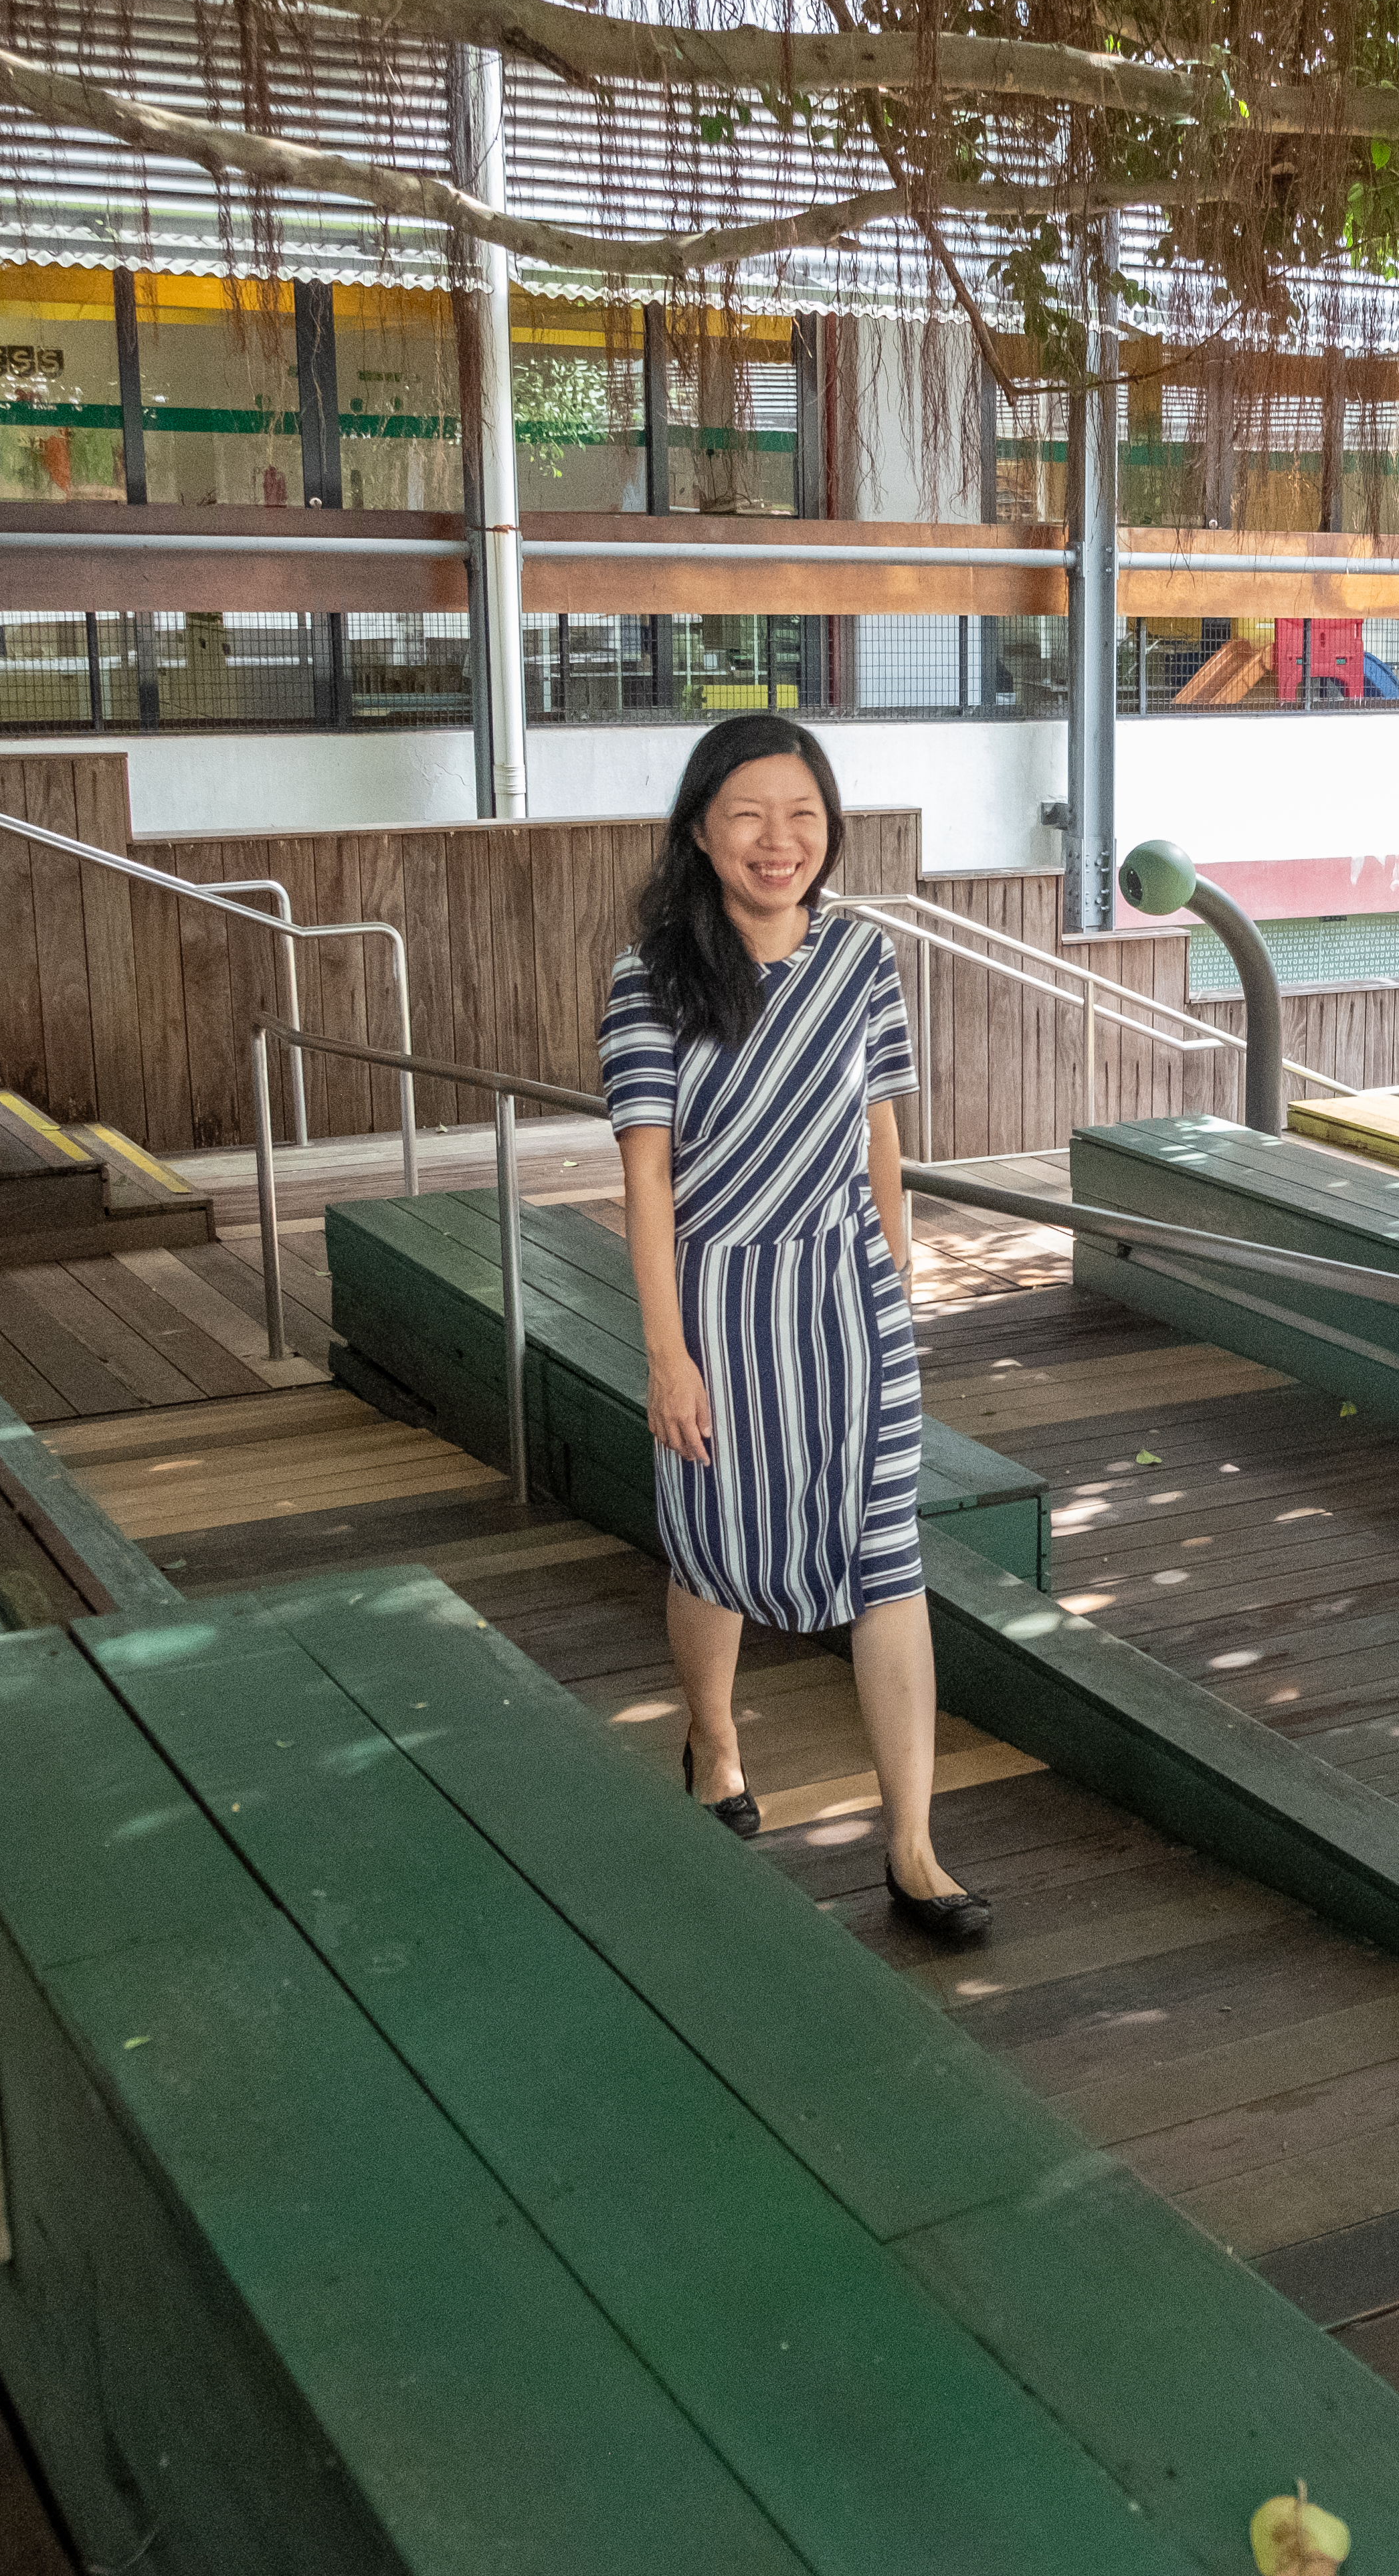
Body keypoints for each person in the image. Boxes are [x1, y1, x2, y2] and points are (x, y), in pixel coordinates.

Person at [600, 715, 989, 1942]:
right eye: (751, 816)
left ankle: (914, 1845)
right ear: (702, 831)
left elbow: (879, 1126)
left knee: (887, 1553)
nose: (781, 841)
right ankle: (715, 1744)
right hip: (720, 1304)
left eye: (803, 815)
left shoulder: (864, 960)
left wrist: (899, 1256)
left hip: (848, 1300)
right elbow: (648, 1180)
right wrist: (667, 1356)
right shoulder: (650, 978)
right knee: (713, 1539)